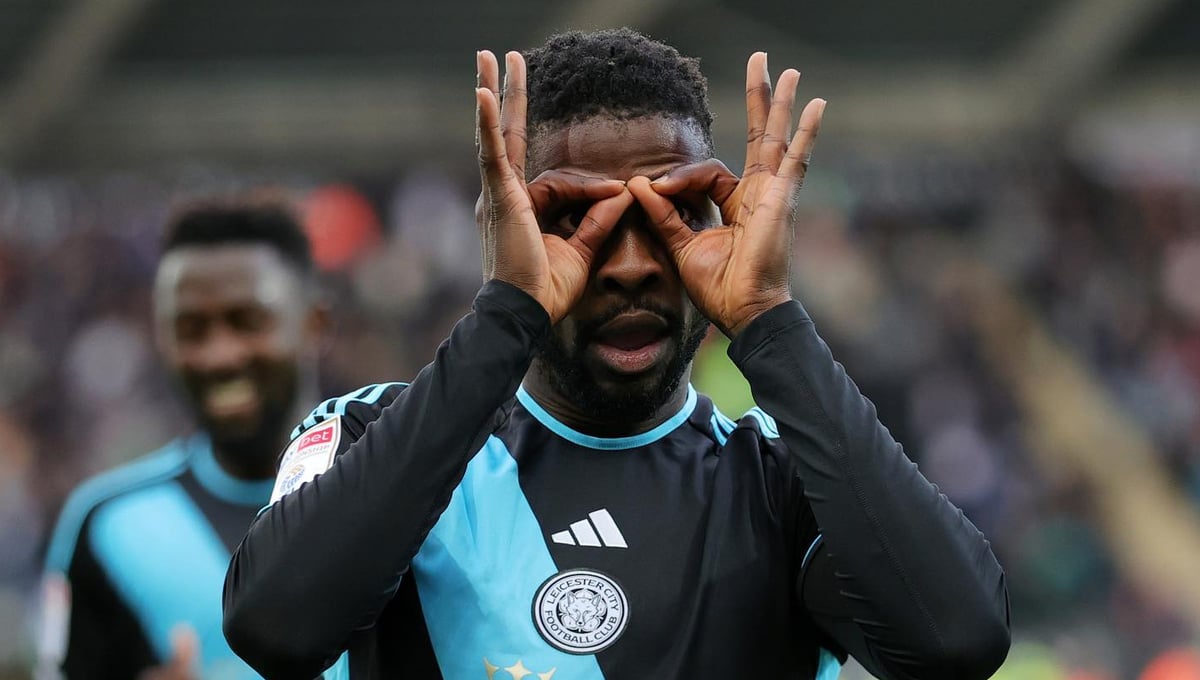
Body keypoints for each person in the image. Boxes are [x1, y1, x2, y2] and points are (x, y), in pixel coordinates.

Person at [223, 29, 1011, 679]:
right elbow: (276, 628)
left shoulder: (785, 480)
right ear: (503, 230)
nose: (631, 266)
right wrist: (507, 313)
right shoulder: (370, 436)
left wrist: (768, 317)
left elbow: (957, 645)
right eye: (575, 218)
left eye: (677, 213)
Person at [39, 200, 329, 679]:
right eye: (190, 329)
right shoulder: (107, 523)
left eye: (247, 321)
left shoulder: (404, 492)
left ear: (314, 324)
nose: (219, 356)